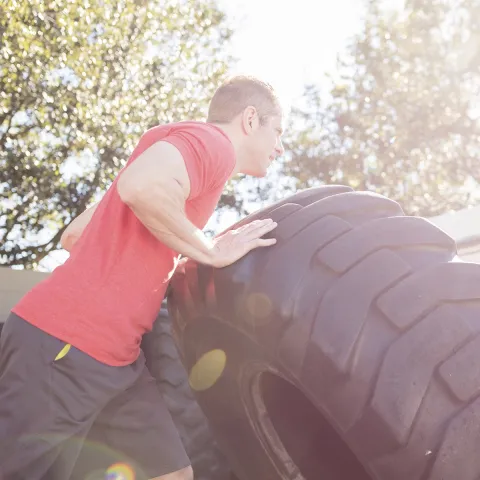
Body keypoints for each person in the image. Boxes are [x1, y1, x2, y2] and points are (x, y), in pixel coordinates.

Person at [0, 75, 285, 480]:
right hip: (66, 343)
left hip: (118, 360)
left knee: (170, 473)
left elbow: (75, 234)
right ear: (250, 119)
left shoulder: (172, 148)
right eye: (278, 131)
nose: (280, 146)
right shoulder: (213, 145)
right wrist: (209, 251)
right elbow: (141, 187)